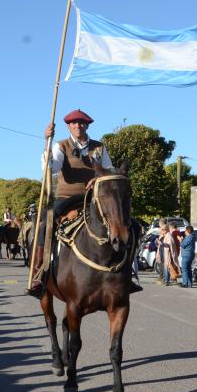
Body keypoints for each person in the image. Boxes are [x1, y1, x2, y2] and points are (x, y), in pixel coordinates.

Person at [30, 108, 141, 297]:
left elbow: (109, 170)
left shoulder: (99, 147)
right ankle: (39, 272)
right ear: (68, 126)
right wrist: (47, 142)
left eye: (81, 123)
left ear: (87, 125)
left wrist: (99, 179)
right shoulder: (61, 146)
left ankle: (128, 273)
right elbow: (51, 167)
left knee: (133, 226)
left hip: (95, 197)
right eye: (74, 123)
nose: (78, 126)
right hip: (67, 198)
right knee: (43, 225)